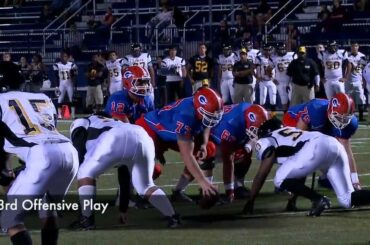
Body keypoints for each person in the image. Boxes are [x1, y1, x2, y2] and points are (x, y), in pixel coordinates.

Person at [0, 61, 78, 245]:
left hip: (41, 155)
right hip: (68, 152)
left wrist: (4, 171)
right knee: (47, 209)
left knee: (9, 220)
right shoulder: (44, 98)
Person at [69, 113, 179, 229]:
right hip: (142, 135)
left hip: (115, 137)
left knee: (84, 172)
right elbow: (124, 176)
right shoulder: (113, 122)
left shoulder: (80, 122)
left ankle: (86, 220)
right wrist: (123, 209)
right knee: (145, 186)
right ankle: (173, 216)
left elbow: (79, 155)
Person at [243, 118, 370, 216]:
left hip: (314, 147)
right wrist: (292, 200)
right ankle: (318, 200)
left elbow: (262, 174)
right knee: (347, 199)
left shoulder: (266, 140)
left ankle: (319, 200)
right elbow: (299, 171)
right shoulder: (289, 132)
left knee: (279, 178)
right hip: (333, 144)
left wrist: (251, 201)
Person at [136, 87, 223, 200]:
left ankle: (178, 191)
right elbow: (187, 155)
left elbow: (207, 124)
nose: (213, 119)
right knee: (152, 170)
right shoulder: (185, 115)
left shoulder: (200, 108)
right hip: (151, 129)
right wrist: (203, 182)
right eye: (210, 115)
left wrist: (203, 144)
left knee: (209, 148)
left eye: (214, 115)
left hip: (170, 132)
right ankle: (130, 195)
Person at [104, 66, 155, 217]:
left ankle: (130, 193)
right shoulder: (118, 99)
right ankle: (123, 197)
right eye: (139, 83)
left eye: (145, 82)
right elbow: (125, 128)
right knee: (129, 163)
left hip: (134, 136)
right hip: (113, 137)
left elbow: (150, 124)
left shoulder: (147, 100)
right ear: (128, 83)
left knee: (153, 168)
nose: (144, 86)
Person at [283, 92, 361, 190]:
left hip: (322, 124)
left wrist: (355, 180)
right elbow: (298, 137)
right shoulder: (316, 110)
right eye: (338, 117)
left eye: (345, 119)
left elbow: (347, 153)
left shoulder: (350, 123)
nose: (342, 122)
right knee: (303, 152)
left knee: (336, 152)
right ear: (330, 110)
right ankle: (286, 179)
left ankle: (325, 178)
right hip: (293, 120)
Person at [210, 103, 269, 200]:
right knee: (209, 155)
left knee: (245, 154)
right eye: (255, 130)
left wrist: (248, 146)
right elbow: (228, 160)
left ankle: (238, 186)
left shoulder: (254, 113)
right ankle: (206, 188)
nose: (256, 133)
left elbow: (256, 135)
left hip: (238, 129)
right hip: (214, 133)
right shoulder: (231, 124)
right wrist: (229, 191)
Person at [345, 42, 367, 121]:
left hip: (358, 80)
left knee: (360, 99)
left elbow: (361, 68)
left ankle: (361, 117)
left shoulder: (362, 56)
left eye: (356, 46)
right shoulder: (347, 56)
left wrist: (364, 81)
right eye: (353, 46)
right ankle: (351, 116)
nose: (354, 48)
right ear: (351, 47)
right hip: (348, 81)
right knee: (349, 99)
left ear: (358, 47)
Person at [272, 43, 296, 112]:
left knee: (292, 99)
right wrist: (272, 79)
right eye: (279, 49)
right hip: (280, 81)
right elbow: (269, 69)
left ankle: (293, 115)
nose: (281, 51)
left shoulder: (292, 55)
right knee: (283, 100)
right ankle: (286, 116)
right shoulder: (274, 58)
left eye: (282, 49)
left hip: (291, 81)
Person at [53, 51, 78, 119]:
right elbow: (56, 76)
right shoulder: (57, 65)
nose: (64, 58)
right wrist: (56, 86)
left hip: (69, 83)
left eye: (65, 56)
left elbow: (75, 74)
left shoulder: (71, 64)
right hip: (62, 84)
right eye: (63, 56)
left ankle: (73, 114)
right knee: (60, 99)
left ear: (68, 57)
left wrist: (73, 72)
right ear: (60, 57)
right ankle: (59, 115)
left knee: (71, 99)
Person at [255, 43, 277, 112]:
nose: (267, 51)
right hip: (263, 80)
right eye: (266, 50)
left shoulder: (274, 58)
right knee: (262, 100)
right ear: (263, 50)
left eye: (268, 50)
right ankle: (262, 116)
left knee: (273, 100)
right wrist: (257, 77)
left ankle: (273, 117)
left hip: (272, 80)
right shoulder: (259, 58)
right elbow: (253, 68)